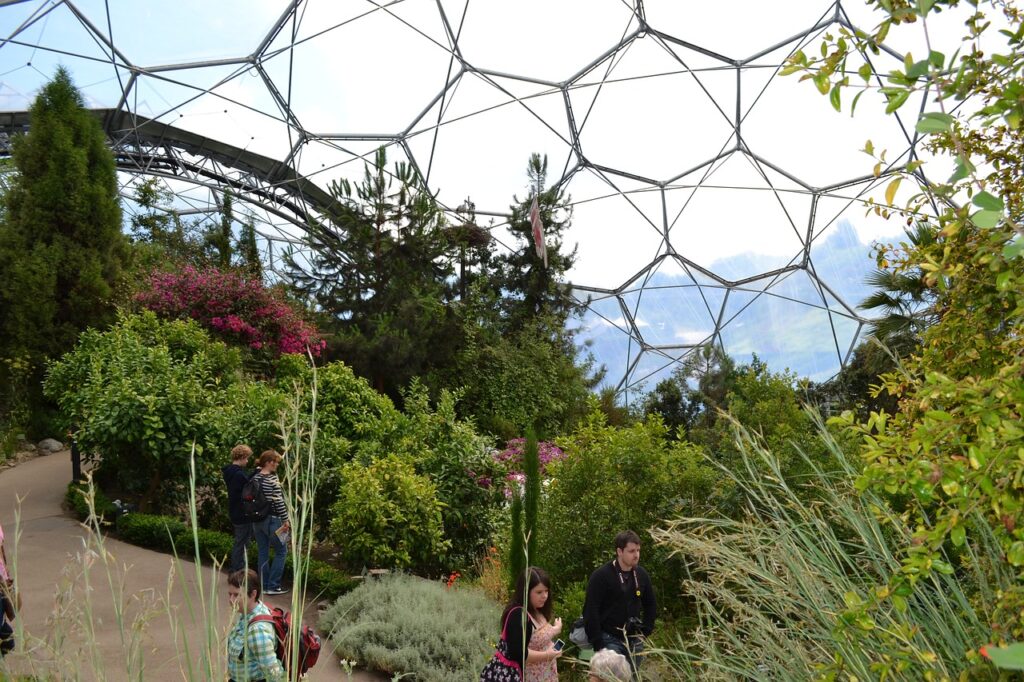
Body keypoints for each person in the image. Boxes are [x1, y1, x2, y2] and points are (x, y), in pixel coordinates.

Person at [583, 530, 657, 673]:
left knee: (633, 677)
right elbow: (590, 610)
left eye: (638, 550)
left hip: (635, 639)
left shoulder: (641, 574)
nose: (636, 555)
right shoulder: (601, 576)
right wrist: (598, 643)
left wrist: (645, 631)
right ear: (619, 551)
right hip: (609, 639)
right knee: (614, 677)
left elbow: (651, 604)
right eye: (631, 551)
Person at [480, 567, 562, 681]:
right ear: (526, 592)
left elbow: (537, 636)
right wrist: (548, 655)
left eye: (546, 591)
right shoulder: (519, 615)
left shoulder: (538, 609)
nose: (545, 596)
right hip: (526, 676)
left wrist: (555, 629)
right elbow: (518, 653)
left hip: (545, 674)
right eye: (539, 592)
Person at [226, 568, 285, 682]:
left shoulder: (257, 631)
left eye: (236, 595)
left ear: (253, 594)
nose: (231, 600)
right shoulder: (250, 610)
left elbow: (274, 674)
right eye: (230, 594)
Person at [252, 450, 289, 595]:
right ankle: (273, 586)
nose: (277, 464)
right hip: (274, 521)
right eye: (275, 461)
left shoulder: (255, 477)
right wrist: (286, 520)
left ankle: (264, 584)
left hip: (257, 521)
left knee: (263, 551)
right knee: (281, 551)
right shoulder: (273, 481)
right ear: (268, 462)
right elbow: (279, 503)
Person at [223, 444, 254, 573]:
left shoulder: (229, 471)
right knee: (242, 542)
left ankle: (238, 568)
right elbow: (247, 489)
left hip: (234, 511)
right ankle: (237, 570)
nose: (247, 461)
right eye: (246, 458)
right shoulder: (239, 475)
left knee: (240, 541)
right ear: (241, 457)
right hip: (242, 512)